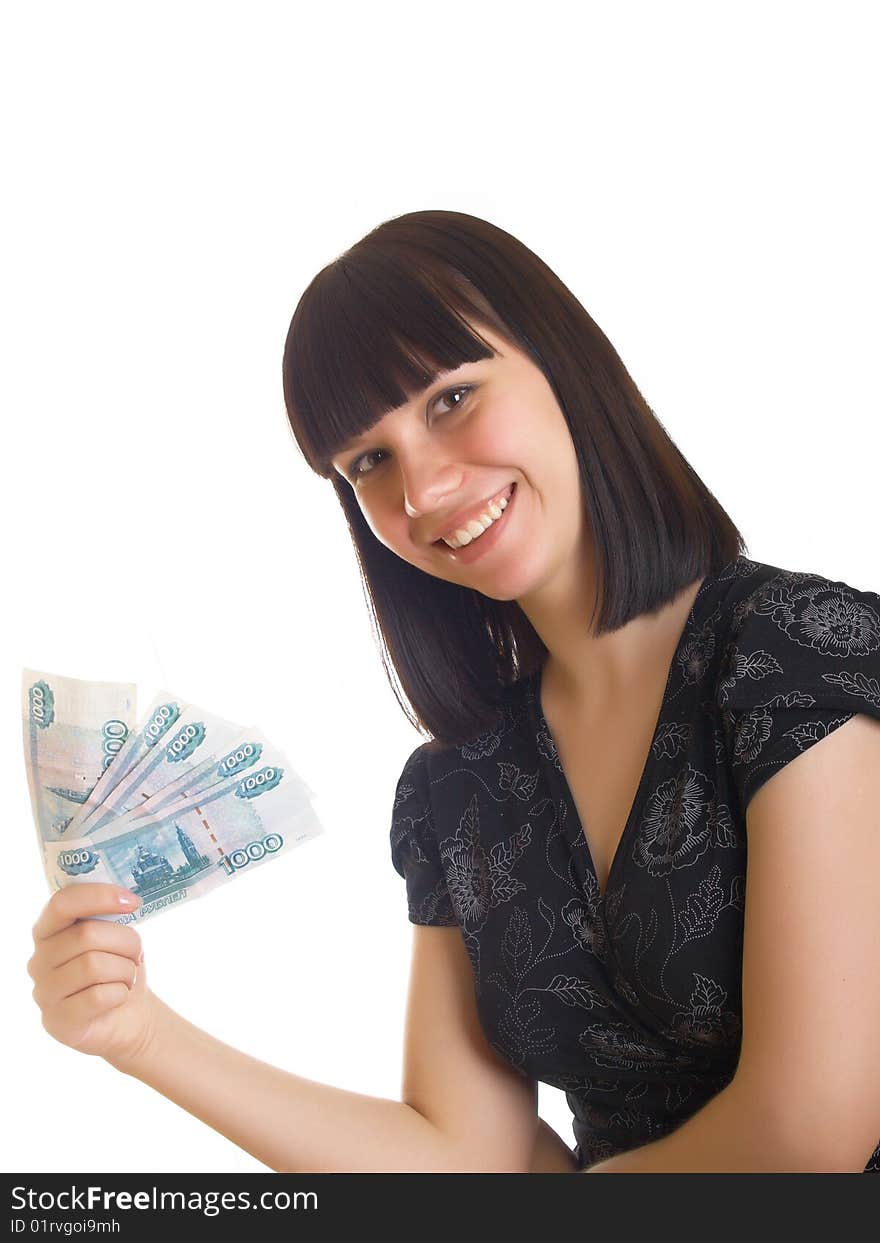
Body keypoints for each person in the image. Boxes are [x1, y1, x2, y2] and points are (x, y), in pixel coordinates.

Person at [28, 210, 880, 1173]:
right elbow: (464, 1157)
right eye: (368, 462)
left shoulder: (791, 654)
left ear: (561, 360)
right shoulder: (458, 787)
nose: (423, 489)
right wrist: (142, 1037)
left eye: (451, 398)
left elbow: (811, 1133)